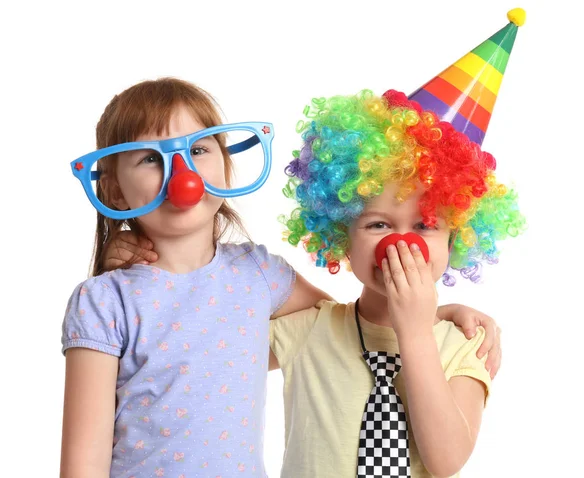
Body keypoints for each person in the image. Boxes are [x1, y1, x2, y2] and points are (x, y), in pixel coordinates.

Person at [60, 78, 503, 477]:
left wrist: (428, 316)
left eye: (197, 149)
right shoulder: (105, 299)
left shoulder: (259, 275)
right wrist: (117, 268)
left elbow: (347, 319)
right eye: (149, 159)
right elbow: (84, 459)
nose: (183, 174)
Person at [270, 10, 526, 477]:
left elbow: (447, 460)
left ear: (457, 239)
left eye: (426, 224)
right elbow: (210, 336)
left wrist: (417, 331)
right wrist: (138, 257)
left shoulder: (462, 345)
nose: (401, 244)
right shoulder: (309, 330)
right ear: (339, 237)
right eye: (377, 225)